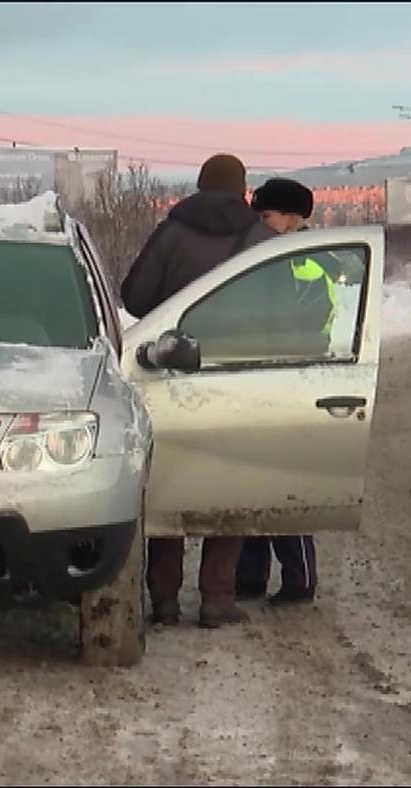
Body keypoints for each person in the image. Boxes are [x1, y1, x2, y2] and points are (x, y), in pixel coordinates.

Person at [120, 153, 277, 629]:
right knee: (230, 483)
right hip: (238, 378)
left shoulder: (171, 233)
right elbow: (286, 308)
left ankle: (163, 598)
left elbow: (135, 297)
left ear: (199, 185)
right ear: (243, 190)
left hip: (174, 373)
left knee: (169, 482)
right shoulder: (262, 240)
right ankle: (216, 597)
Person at [235, 177, 328, 606]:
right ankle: (250, 575)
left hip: (291, 383)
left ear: (292, 218)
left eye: (266, 215)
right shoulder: (269, 256)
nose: (260, 222)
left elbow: (308, 328)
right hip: (262, 381)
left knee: (283, 488)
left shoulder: (308, 266)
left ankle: (299, 578)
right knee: (251, 481)